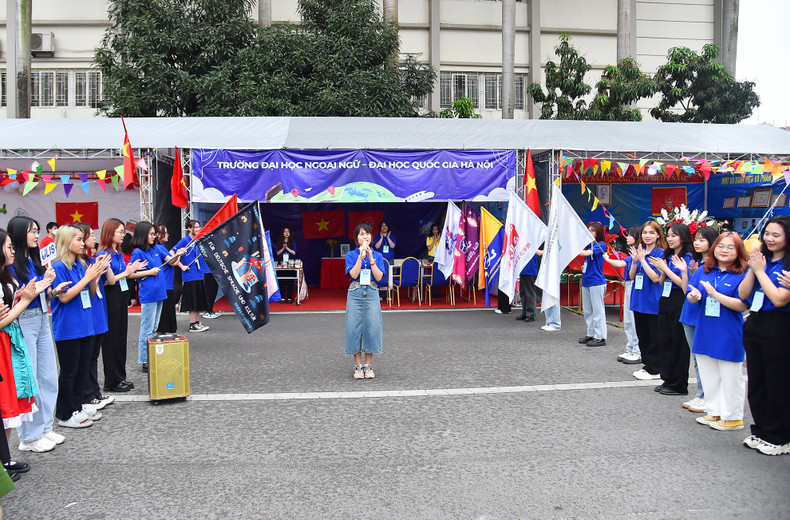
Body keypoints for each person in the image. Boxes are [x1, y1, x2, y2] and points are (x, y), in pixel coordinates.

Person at [7, 217, 69, 453]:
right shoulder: (12, 265)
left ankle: (45, 427)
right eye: (32, 231)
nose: (36, 235)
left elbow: (41, 294)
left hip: (42, 317)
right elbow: (18, 298)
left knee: (48, 376)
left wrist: (52, 289)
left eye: (37, 230)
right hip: (24, 321)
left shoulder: (34, 261)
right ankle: (29, 436)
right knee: (30, 377)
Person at [0, 227, 52, 475]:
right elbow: (3, 319)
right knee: (10, 396)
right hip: (8, 338)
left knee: (19, 393)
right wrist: (26, 300)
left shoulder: (9, 274)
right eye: (8, 247)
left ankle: (6, 458)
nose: (12, 251)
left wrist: (24, 295)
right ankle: (24, 441)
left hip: (15, 336)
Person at [686, 232, 748, 432]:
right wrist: (694, 296)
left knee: (730, 376)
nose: (724, 250)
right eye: (720, 246)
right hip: (705, 328)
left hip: (728, 331)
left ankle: (733, 417)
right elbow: (690, 294)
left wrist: (714, 294)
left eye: (730, 247)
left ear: (739, 251)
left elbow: (742, 305)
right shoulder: (703, 270)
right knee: (708, 373)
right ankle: (714, 411)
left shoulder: (744, 274)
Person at [738, 215, 790, 455]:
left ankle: (779, 436)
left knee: (777, 383)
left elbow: (779, 299)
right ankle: (760, 429)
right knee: (757, 382)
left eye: (776, 235)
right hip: (756, 323)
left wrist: (760, 271)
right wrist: (754, 267)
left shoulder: (786, 265)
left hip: (779, 326)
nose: (769, 238)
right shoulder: (762, 260)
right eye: (767, 233)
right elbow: (743, 293)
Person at [50, 225, 108, 429]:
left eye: (83, 239)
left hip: (85, 325)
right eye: (78, 239)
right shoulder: (59, 266)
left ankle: (77, 406)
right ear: (66, 241)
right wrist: (87, 278)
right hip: (68, 328)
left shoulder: (80, 265)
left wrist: (94, 277)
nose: (83, 243)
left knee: (82, 370)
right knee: (69, 372)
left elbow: (90, 294)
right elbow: (64, 297)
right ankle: (65, 413)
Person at [96, 219, 144, 393]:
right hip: (110, 298)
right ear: (110, 233)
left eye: (124, 231)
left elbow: (122, 274)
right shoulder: (104, 254)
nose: (123, 235)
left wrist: (131, 269)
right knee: (111, 340)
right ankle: (112, 379)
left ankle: (120, 376)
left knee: (120, 338)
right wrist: (126, 272)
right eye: (120, 232)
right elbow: (105, 281)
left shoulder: (117, 252)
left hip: (120, 296)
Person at [73, 223, 115, 413]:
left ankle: (94, 391)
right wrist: (95, 274)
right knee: (86, 357)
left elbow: (109, 280)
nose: (92, 239)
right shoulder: (78, 264)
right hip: (87, 311)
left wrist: (104, 266)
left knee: (93, 355)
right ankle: (87, 394)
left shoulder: (92, 260)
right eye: (89, 236)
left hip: (98, 309)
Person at [649, 223, 694, 396]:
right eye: (668, 235)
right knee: (665, 339)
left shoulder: (687, 257)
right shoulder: (668, 255)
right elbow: (662, 282)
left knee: (678, 342)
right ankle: (668, 378)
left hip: (679, 299)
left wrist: (666, 268)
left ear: (683, 237)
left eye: (674, 235)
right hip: (666, 298)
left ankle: (678, 383)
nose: (670, 239)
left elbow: (684, 285)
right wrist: (662, 271)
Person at [679, 225, 719, 413]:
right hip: (690, 314)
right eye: (695, 239)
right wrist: (687, 273)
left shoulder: (717, 265)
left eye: (702, 239)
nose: (697, 243)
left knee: (707, 357)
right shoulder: (697, 264)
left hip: (705, 316)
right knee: (697, 358)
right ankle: (702, 394)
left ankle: (707, 396)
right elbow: (687, 290)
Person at [345, 223, 385, 380]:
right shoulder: (351, 255)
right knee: (353, 327)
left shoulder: (378, 256)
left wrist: (370, 258)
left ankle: (368, 365)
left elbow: (379, 277)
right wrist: (360, 257)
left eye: (367, 234)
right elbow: (354, 274)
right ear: (357, 239)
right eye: (361, 234)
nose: (365, 236)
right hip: (355, 291)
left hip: (372, 291)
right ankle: (358, 365)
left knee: (372, 327)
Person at [629, 221, 668, 381]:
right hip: (638, 299)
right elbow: (631, 276)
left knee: (654, 337)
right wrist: (634, 262)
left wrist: (643, 260)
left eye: (652, 233)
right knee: (643, 336)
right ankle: (647, 365)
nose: (647, 236)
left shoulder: (661, 254)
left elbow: (656, 278)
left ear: (658, 235)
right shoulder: (641, 251)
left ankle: (655, 368)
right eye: (645, 232)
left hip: (653, 301)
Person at [130, 222, 169, 372]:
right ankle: (145, 360)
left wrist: (178, 253)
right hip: (149, 294)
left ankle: (151, 356)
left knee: (154, 328)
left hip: (159, 293)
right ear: (143, 235)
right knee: (147, 328)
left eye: (154, 234)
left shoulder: (155, 249)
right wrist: (148, 272)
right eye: (151, 234)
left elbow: (169, 259)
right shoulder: (138, 252)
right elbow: (130, 273)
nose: (154, 237)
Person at [604, 226, 641, 364]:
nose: (627, 238)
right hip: (628, 285)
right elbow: (622, 264)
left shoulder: (639, 254)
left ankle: (637, 351)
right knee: (628, 321)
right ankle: (630, 348)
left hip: (635, 287)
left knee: (634, 320)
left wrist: (607, 259)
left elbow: (621, 264)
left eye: (630, 235)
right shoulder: (631, 253)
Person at [172, 220, 209, 333]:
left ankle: (197, 322)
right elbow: (172, 253)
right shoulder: (185, 241)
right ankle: (192, 324)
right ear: (189, 228)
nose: (198, 229)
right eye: (195, 227)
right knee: (193, 300)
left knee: (198, 300)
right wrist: (181, 266)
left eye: (199, 227)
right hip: (190, 275)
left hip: (199, 273)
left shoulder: (198, 240)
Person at [578, 222, 608, 347]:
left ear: (598, 232)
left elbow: (586, 254)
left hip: (596, 282)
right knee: (588, 310)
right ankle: (591, 333)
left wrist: (572, 248)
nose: (590, 232)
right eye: (589, 230)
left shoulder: (601, 245)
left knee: (597, 310)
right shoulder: (589, 245)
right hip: (587, 281)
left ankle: (600, 336)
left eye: (593, 230)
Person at [153, 223, 179, 333]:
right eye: (165, 233)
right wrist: (178, 253)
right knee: (162, 319)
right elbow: (173, 262)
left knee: (164, 317)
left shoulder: (161, 248)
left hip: (166, 285)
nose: (167, 235)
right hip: (164, 286)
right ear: (158, 235)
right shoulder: (158, 248)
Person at [275, 227, 298, 303]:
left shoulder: (292, 242)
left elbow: (294, 253)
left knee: (290, 280)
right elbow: (277, 253)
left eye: (288, 232)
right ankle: (282, 297)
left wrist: (287, 248)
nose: (286, 233)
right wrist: (283, 248)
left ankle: (289, 297)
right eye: (285, 232)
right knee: (281, 280)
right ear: (283, 233)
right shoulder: (280, 242)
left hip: (290, 261)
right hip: (281, 261)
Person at [515, 255, 539, 323]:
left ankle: (531, 314)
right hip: (523, 269)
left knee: (529, 293)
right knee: (523, 292)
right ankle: (525, 312)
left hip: (531, 269)